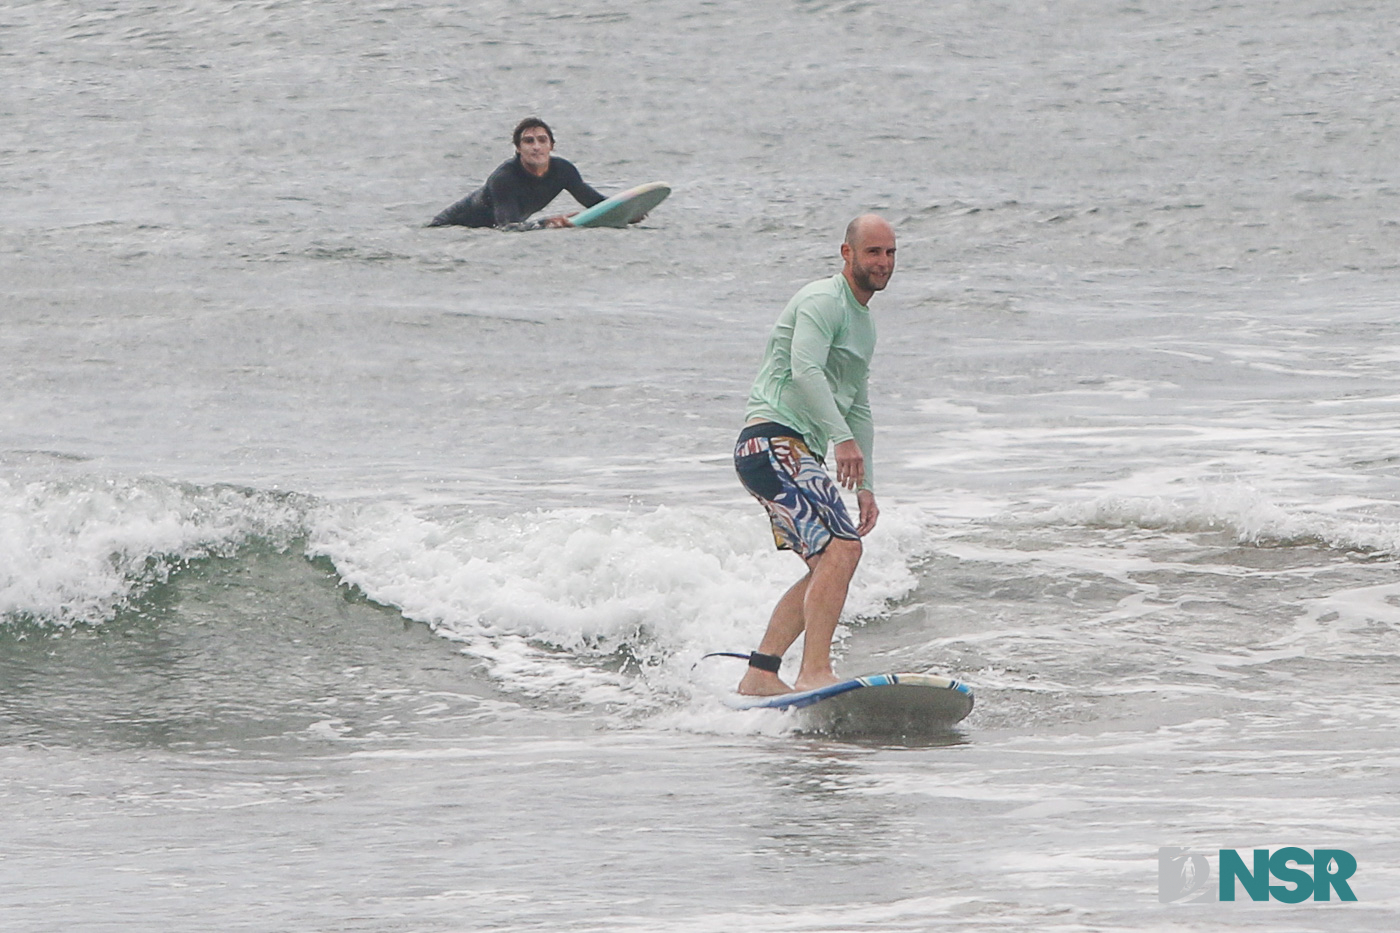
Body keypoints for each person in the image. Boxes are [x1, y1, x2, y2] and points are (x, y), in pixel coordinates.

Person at [733, 214, 897, 696]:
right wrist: (840, 439)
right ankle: (814, 671)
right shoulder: (823, 300)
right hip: (772, 440)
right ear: (847, 254)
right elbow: (805, 369)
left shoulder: (863, 323)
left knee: (832, 560)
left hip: (792, 448)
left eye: (890, 253)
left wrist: (867, 485)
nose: (883, 262)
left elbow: (859, 405)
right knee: (843, 549)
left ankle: (761, 673)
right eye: (873, 252)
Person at [427, 117, 606, 229]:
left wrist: (632, 212)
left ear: (551, 146)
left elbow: (598, 205)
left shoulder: (564, 171)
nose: (536, 147)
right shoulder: (504, 179)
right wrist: (550, 223)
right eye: (529, 141)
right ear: (518, 148)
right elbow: (508, 228)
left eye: (542, 140)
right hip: (447, 229)